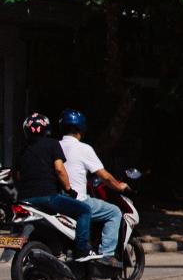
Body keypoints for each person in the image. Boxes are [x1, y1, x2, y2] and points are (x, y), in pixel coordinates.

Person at [14, 112, 95, 259]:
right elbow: (59, 169)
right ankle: (82, 249)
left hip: (24, 199)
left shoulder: (21, 149)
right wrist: (69, 189)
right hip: (48, 198)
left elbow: (18, 176)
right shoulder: (52, 144)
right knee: (85, 210)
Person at [57, 109, 128, 258]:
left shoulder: (54, 146)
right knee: (114, 212)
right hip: (78, 200)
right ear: (81, 130)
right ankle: (106, 255)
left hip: (57, 200)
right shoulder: (84, 148)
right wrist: (119, 186)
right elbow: (104, 177)